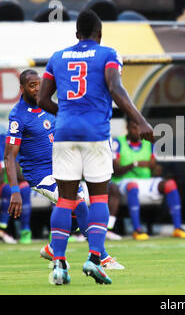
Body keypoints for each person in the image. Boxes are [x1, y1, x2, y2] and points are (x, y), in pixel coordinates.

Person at [36, 10, 153, 285]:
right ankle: (94, 258)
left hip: (64, 134)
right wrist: (141, 121)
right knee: (99, 197)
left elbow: (42, 99)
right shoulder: (107, 54)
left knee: (65, 199)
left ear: (76, 34)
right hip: (95, 134)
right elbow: (115, 88)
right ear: (99, 34)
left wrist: (64, 113)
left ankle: (59, 264)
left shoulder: (58, 57)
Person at [4, 69, 124, 272]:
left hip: (63, 167)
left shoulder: (49, 106)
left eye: (39, 84)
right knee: (78, 205)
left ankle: (54, 249)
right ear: (22, 89)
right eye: (32, 85)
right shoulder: (18, 116)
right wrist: (15, 190)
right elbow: (9, 156)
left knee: (79, 207)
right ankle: (101, 256)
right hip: (41, 175)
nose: (38, 88)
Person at [110, 117, 185, 240]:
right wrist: (134, 164)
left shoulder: (148, 143)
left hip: (145, 181)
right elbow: (115, 170)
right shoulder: (118, 142)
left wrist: (156, 168)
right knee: (133, 186)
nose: (137, 131)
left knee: (170, 184)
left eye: (139, 128)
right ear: (127, 127)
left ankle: (178, 228)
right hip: (123, 182)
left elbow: (153, 166)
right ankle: (137, 230)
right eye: (134, 128)